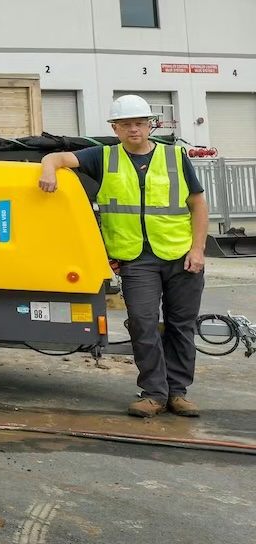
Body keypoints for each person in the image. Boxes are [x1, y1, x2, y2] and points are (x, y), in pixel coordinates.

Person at [39, 94, 208, 418]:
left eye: (140, 123)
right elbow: (56, 158)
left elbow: (198, 204)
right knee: (143, 323)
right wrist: (48, 171)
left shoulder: (175, 157)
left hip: (180, 256)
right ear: (115, 128)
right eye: (127, 124)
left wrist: (197, 249)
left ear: (149, 125)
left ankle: (178, 392)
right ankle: (154, 393)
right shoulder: (102, 158)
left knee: (181, 327)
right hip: (136, 259)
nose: (134, 129)